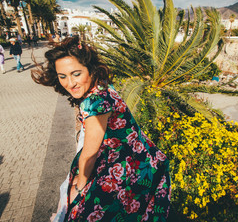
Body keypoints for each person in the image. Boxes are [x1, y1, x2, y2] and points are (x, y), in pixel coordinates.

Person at [31, 36, 171, 221]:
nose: (70, 83)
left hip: (130, 167)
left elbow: (89, 154)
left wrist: (79, 188)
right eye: (62, 76)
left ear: (90, 70)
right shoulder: (102, 87)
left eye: (76, 74)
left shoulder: (95, 104)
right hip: (141, 160)